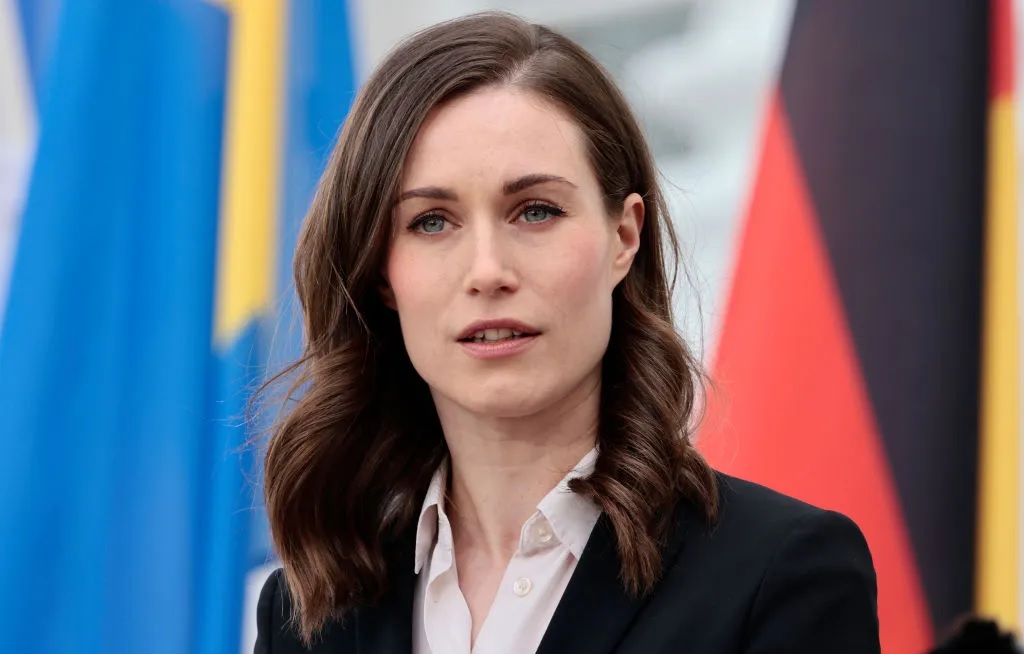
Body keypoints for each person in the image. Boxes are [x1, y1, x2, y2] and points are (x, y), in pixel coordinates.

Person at [253, 11, 880, 654]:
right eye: (432, 221)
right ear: (382, 272)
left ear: (624, 236)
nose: (487, 271)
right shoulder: (309, 611)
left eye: (536, 211)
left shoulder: (782, 576)